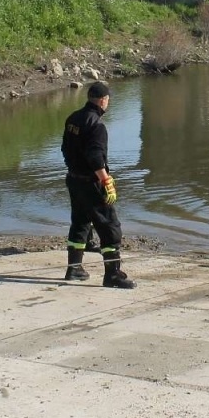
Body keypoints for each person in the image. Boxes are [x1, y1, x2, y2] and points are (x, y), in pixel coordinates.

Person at [61, 81, 135, 289]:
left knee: (80, 223)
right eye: (108, 101)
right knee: (110, 226)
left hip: (74, 179)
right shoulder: (97, 125)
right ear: (103, 100)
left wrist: (74, 170)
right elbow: (95, 157)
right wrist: (106, 180)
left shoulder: (73, 119)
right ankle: (112, 275)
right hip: (91, 183)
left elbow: (65, 149)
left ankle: (74, 269)